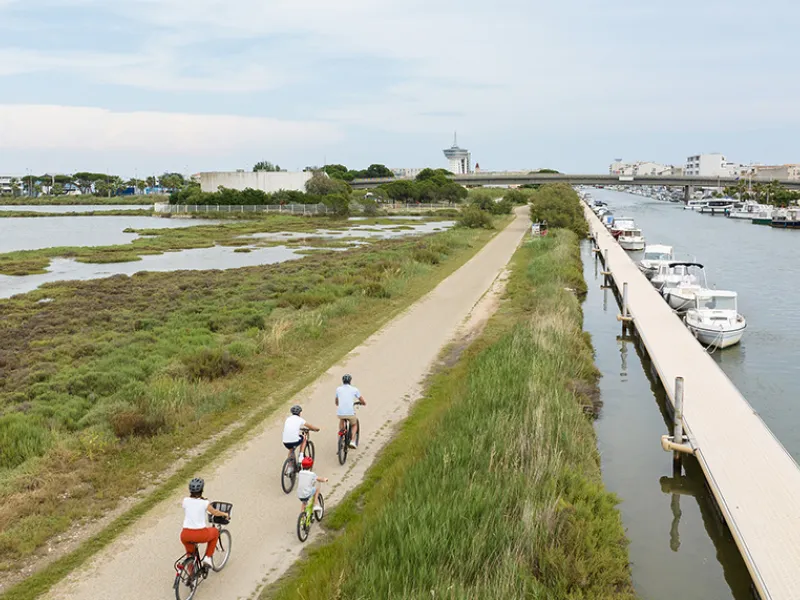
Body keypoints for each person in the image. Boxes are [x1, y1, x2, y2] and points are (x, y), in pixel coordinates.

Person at [180, 478, 230, 569]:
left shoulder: (185, 501)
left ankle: (191, 578)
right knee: (215, 532)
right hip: (200, 534)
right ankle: (208, 557)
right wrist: (225, 514)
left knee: (190, 554)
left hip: (185, 535)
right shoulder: (204, 503)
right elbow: (214, 512)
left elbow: (190, 505)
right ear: (202, 490)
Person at [335, 374, 366, 449]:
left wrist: (338, 403)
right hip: (350, 412)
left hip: (340, 412)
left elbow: (336, 401)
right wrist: (363, 403)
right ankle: (352, 441)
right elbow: (361, 399)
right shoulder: (354, 389)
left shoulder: (338, 389)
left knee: (342, 419)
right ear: (350, 381)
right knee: (354, 424)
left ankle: (342, 433)